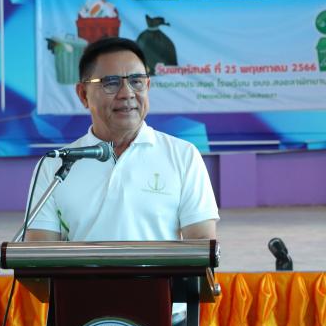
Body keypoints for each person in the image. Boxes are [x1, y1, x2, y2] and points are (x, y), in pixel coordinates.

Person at [26, 37, 219, 242]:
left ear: (147, 86)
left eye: (136, 82)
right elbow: (40, 250)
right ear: (83, 94)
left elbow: (201, 242)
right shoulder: (54, 165)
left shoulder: (183, 156)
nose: (127, 93)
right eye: (111, 83)